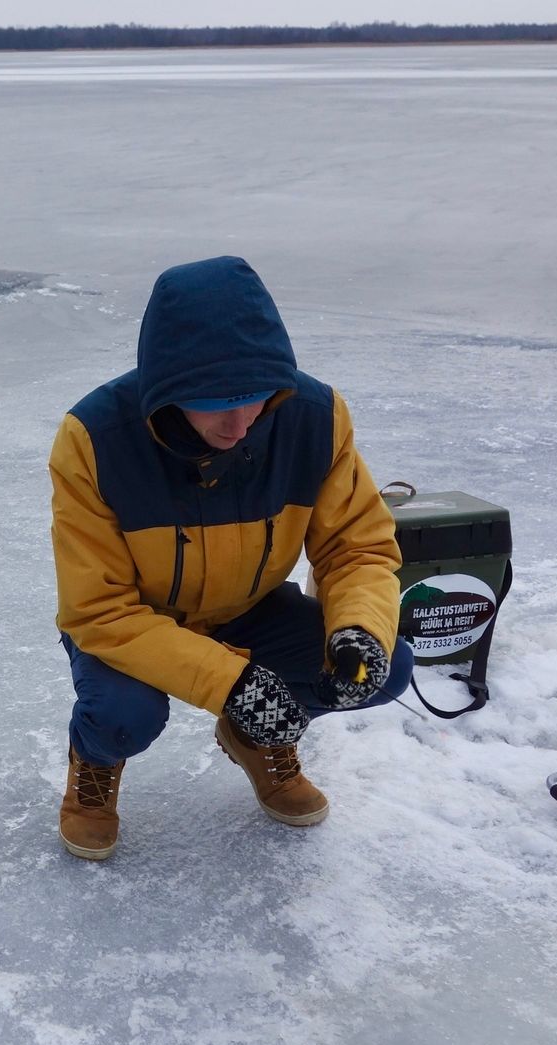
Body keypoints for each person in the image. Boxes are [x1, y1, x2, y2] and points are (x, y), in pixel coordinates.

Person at [47, 256, 413, 861]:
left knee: (382, 666)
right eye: (216, 401)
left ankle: (254, 734)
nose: (240, 425)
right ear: (167, 386)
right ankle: (95, 764)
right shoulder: (94, 440)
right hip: (131, 623)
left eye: (254, 398)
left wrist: (358, 628)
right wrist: (232, 682)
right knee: (124, 713)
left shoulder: (315, 421)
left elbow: (357, 548)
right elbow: (98, 611)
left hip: (251, 609)